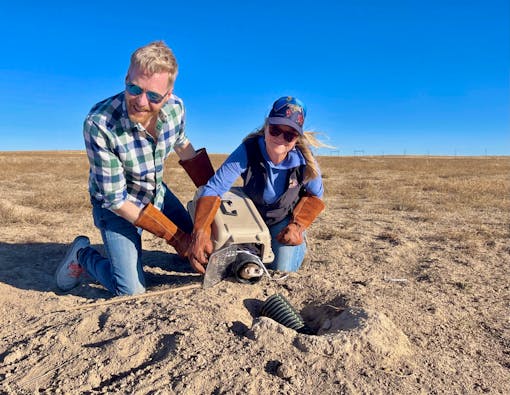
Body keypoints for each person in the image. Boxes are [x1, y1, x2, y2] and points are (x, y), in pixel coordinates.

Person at [55, 41, 214, 296]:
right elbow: (117, 201)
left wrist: (212, 194)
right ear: (126, 78)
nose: (140, 102)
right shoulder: (99, 123)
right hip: (116, 206)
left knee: (203, 250)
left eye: (153, 96)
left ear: (169, 93)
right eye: (133, 88)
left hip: (156, 193)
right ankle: (83, 255)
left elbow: (183, 146)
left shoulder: (176, 109)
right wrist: (177, 238)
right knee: (130, 291)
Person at [188, 96, 326, 274]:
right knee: (235, 266)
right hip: (250, 219)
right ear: (266, 127)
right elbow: (215, 188)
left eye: (289, 135)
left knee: (280, 270)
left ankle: (298, 245)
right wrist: (201, 231)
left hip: (283, 222)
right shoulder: (249, 149)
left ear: (296, 139)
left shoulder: (304, 161)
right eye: (275, 130)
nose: (281, 138)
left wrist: (297, 226)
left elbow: (316, 196)